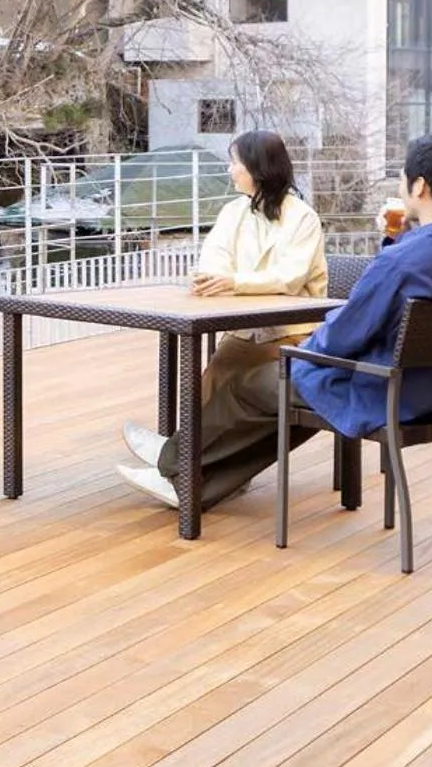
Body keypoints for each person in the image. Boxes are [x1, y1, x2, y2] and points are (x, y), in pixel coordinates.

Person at [116, 130, 328, 509]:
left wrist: (233, 282)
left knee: (229, 376)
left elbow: (290, 277)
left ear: (258, 170)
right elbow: (214, 256)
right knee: (216, 373)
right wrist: (212, 277)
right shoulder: (234, 211)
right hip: (248, 326)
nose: (230, 171)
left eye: (236, 163)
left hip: (293, 332)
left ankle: (177, 460)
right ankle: (186, 462)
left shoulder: (304, 218)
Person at [287, 135, 432, 442]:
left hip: (387, 396)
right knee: (266, 392)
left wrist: (300, 349)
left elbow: (344, 334)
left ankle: (202, 478)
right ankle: (213, 479)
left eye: (403, 179)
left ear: (419, 187)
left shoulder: (400, 261)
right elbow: (431, 266)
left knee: (254, 385)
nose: (401, 188)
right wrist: (398, 239)